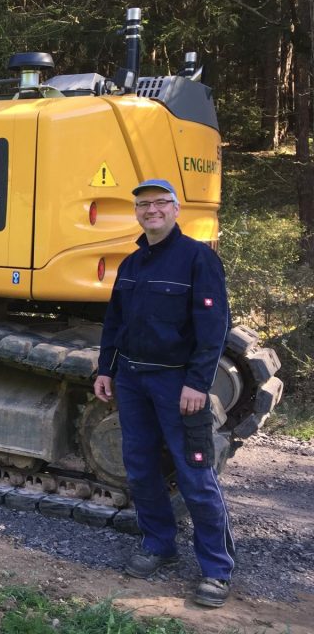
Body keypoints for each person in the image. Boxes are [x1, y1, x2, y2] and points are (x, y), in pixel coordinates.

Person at [94, 178, 234, 609]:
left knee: (194, 472)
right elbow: (114, 323)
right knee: (139, 467)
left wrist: (197, 382)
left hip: (177, 383)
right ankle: (159, 544)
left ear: (175, 210)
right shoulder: (132, 264)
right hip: (134, 380)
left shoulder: (198, 260)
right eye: (143, 205)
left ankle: (216, 569)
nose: (151, 210)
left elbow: (214, 330)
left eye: (159, 203)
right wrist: (106, 368)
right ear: (137, 213)